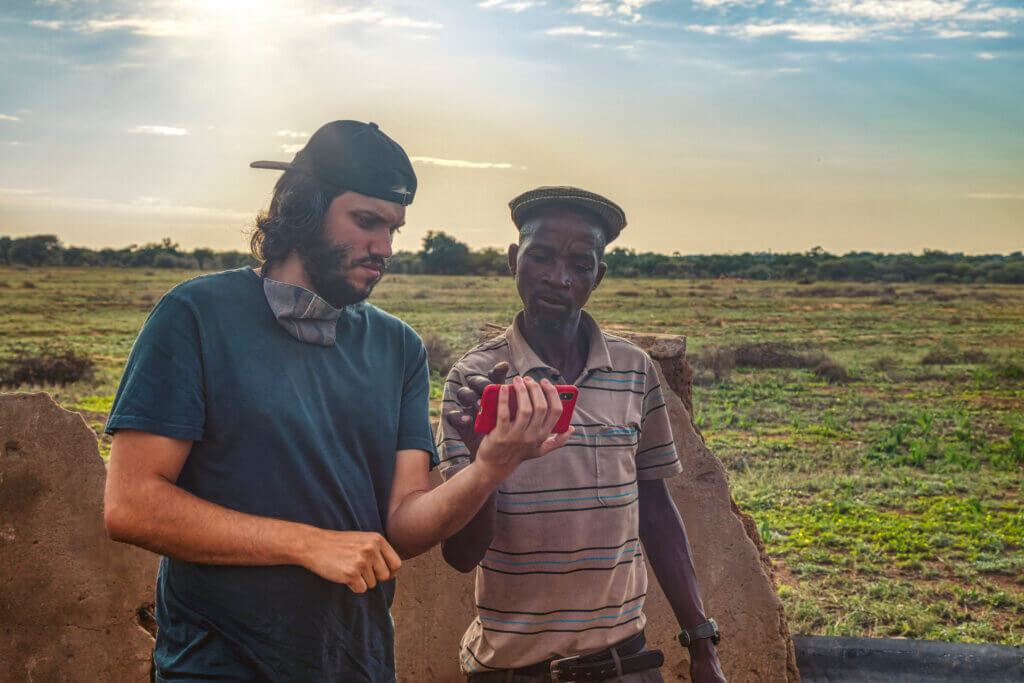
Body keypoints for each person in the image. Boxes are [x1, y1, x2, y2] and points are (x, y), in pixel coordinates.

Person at [102, 121, 568, 682]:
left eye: (394, 229)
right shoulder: (196, 314)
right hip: (216, 665)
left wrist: (492, 466)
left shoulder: (396, 346)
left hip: (356, 662)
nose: (384, 248)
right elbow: (131, 506)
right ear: (303, 208)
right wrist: (304, 544)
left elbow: (403, 524)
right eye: (366, 222)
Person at [437, 186, 727, 682]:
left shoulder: (634, 370)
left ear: (599, 275)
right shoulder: (476, 380)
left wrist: (702, 643)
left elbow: (654, 509)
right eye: (542, 257)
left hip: (625, 664)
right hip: (511, 670)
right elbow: (462, 557)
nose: (558, 277)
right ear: (514, 260)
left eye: (580, 263)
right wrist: (486, 464)